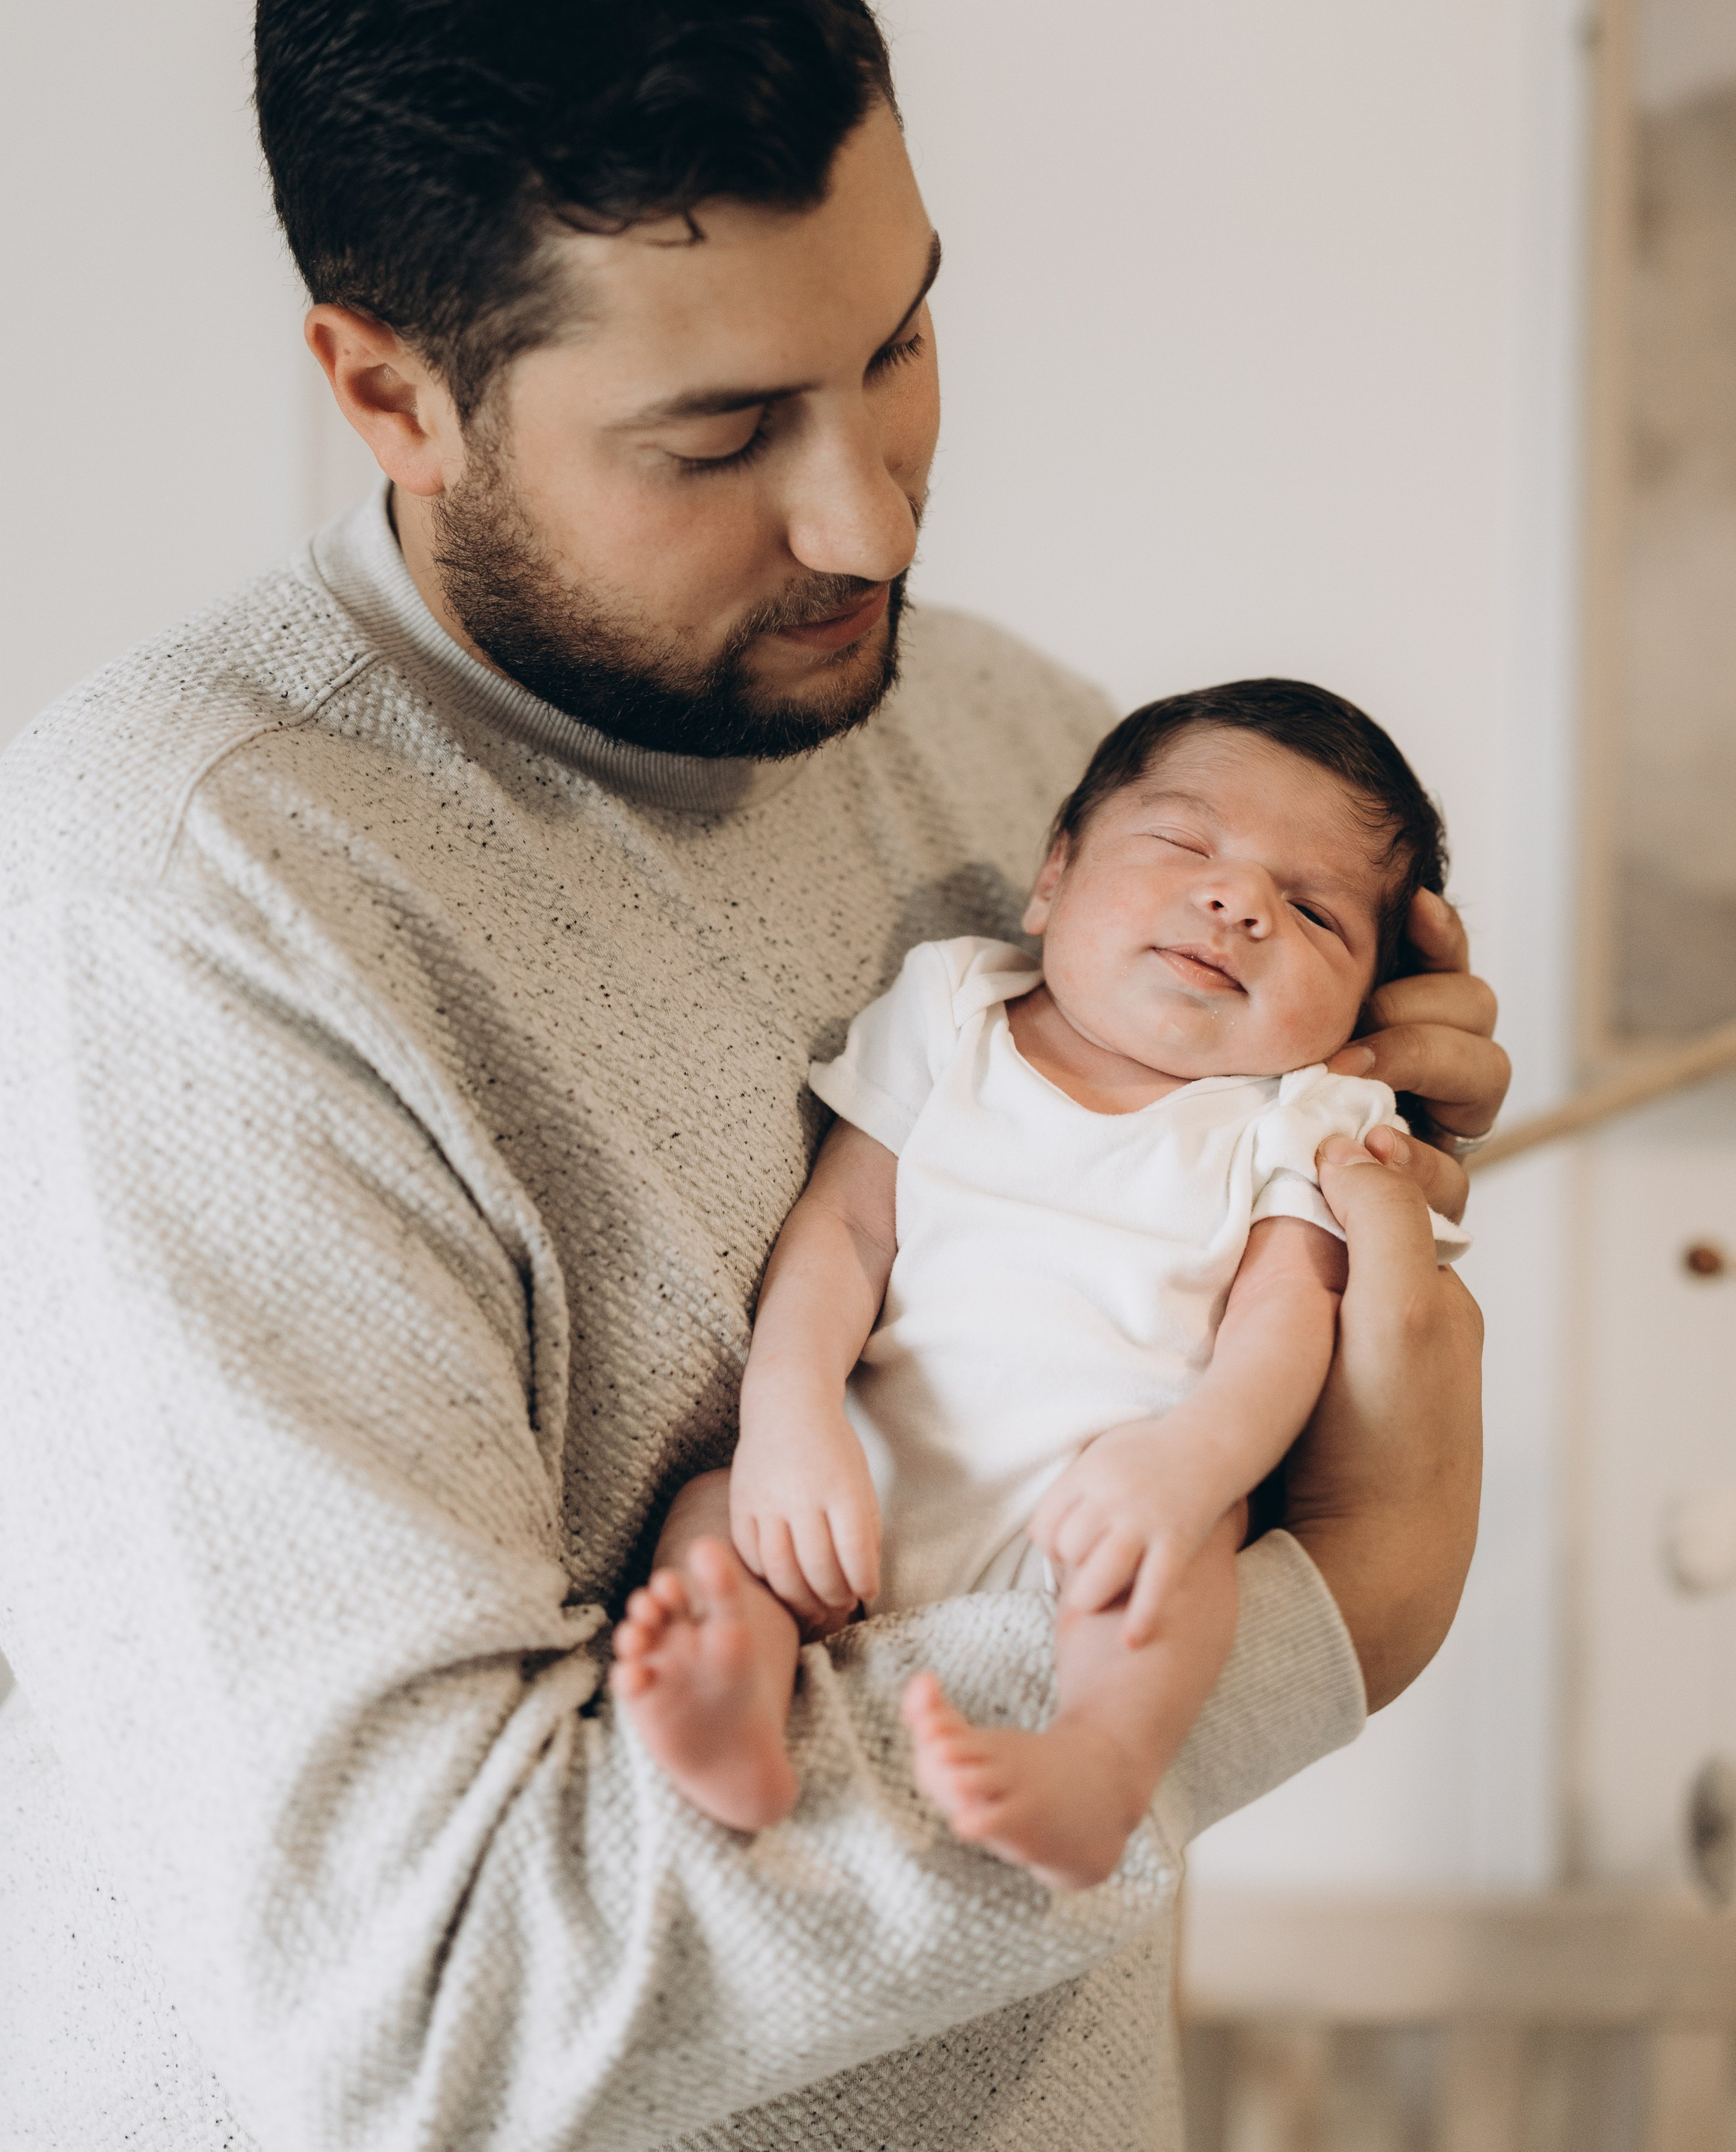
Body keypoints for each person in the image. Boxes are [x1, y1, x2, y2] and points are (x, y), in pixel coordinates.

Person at [0, 0, 1503, 2152]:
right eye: (721, 432)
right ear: (387, 390)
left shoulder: (1003, 737)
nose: (868, 513)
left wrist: (1326, 1179)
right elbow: (423, 2013)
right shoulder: (177, 908)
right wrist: (1331, 1604)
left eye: (898, 342)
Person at [615, 679, 1470, 1890]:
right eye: (1185, 843)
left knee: (1195, 1559)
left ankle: (1101, 1766)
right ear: (1055, 876)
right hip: (861, 1471)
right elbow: (846, 1231)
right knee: (716, 1515)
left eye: (1318, 913)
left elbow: (1289, 1318)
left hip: (1103, 1507)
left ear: (1362, 1011)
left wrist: (1195, 1465)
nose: (1238, 901)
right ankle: (733, 1706)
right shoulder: (954, 1010)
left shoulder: (1301, 1119)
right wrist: (789, 1416)